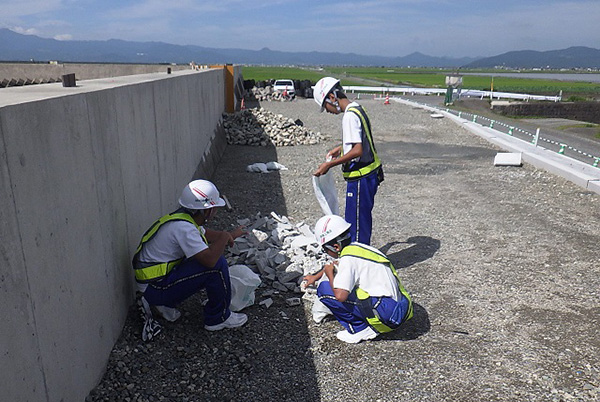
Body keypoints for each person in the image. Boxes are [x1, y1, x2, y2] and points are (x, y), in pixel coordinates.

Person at [132, 179, 247, 341]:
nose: (215, 212)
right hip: (155, 289)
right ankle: (218, 318)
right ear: (206, 211)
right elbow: (210, 261)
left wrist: (229, 235)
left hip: (151, 285)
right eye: (214, 209)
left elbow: (206, 234)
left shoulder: (183, 220)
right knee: (217, 265)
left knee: (204, 259)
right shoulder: (184, 229)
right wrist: (223, 237)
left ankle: (164, 305)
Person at [303, 215, 412, 344]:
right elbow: (335, 264)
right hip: (401, 308)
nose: (326, 253)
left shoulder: (348, 260)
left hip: (389, 317)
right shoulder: (359, 248)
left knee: (324, 290)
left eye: (325, 249)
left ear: (336, 247)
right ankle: (366, 318)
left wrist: (330, 275)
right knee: (341, 282)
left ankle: (359, 329)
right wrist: (315, 277)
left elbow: (340, 296)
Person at [313, 77, 384, 245]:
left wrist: (329, 164)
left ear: (332, 97)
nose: (328, 111)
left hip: (361, 177)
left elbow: (358, 150)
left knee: (357, 226)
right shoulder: (357, 109)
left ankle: (359, 263)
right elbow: (360, 142)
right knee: (362, 220)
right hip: (369, 175)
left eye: (326, 106)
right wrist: (341, 149)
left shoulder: (349, 117)